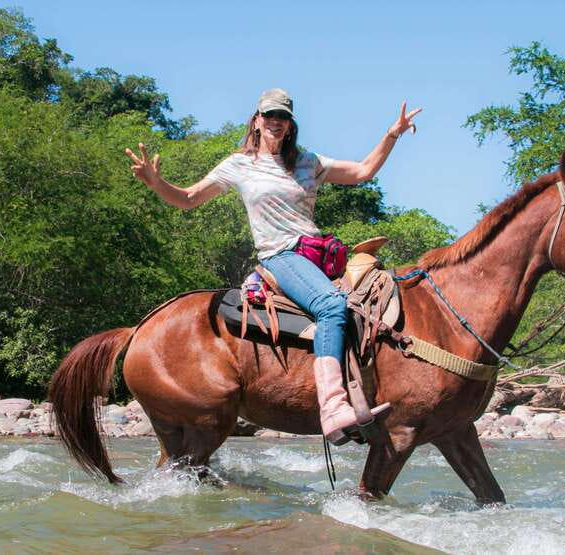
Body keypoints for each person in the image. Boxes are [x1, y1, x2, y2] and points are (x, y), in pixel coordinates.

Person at [125, 88, 421, 445]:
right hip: (281, 256)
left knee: (374, 302)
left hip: (318, 256)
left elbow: (362, 171)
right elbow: (189, 199)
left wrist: (392, 134)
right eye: (269, 115)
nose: (275, 122)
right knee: (331, 306)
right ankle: (332, 407)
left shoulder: (308, 162)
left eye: (282, 117)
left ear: (289, 123)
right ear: (256, 120)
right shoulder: (239, 165)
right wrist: (157, 183)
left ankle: (376, 387)